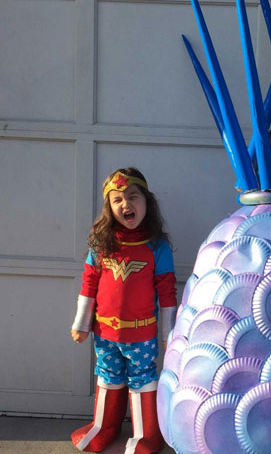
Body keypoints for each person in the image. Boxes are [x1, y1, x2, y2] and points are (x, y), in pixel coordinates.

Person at [70, 167, 177, 454]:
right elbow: (89, 284)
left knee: (143, 379)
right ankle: (103, 427)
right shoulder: (101, 244)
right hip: (104, 332)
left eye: (132, 196)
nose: (125, 204)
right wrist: (81, 323)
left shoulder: (157, 246)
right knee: (107, 376)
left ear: (147, 202)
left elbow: (167, 292)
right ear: (109, 208)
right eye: (117, 199)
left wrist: (170, 333)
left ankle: (146, 435)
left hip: (142, 334)